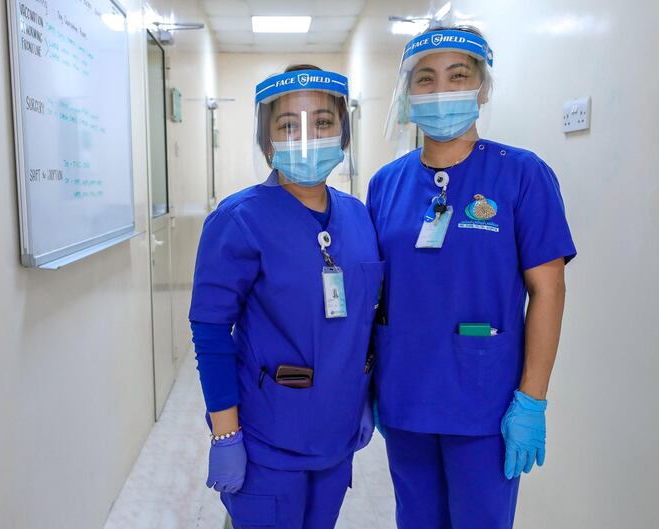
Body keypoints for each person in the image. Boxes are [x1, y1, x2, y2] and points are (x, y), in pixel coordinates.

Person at [367, 26, 577, 529]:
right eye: (425, 79)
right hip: (405, 398)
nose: (441, 91)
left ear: (482, 88)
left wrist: (532, 399)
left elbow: (547, 291)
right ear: (408, 93)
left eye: (457, 76)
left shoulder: (522, 175)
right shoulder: (385, 185)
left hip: (484, 403)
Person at [188, 64, 384, 529]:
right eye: (288, 125)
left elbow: (364, 323)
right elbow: (211, 331)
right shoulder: (238, 220)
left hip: (337, 437)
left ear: (343, 131)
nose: (306, 137)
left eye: (321, 122)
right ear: (267, 139)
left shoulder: (359, 218)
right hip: (267, 442)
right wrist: (225, 435)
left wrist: (364, 400)